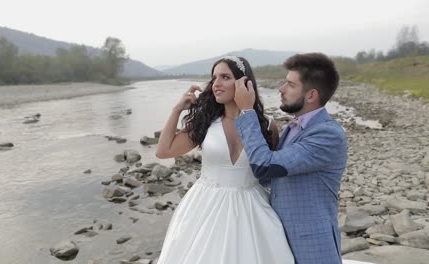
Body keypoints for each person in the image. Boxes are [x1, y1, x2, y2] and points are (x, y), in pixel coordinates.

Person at [155, 56, 296, 263]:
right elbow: (164, 151)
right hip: (205, 207)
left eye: (225, 77)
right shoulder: (204, 123)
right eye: (214, 78)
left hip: (252, 209)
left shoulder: (267, 126)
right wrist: (177, 110)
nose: (216, 84)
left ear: (243, 83)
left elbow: (269, 170)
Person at [233, 53, 366, 264]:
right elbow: (273, 181)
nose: (281, 89)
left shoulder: (328, 134)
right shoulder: (294, 127)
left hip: (311, 245)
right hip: (279, 240)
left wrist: (247, 110)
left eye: (290, 84)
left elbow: (265, 167)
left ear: (311, 95)